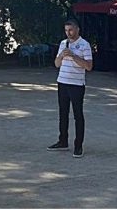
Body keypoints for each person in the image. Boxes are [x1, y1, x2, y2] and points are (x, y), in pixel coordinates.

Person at [47, 19, 93, 158]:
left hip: (77, 84)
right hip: (62, 82)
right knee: (63, 113)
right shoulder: (63, 43)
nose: (69, 33)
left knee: (78, 115)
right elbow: (56, 64)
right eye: (66, 30)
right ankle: (63, 141)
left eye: (71, 30)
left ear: (77, 29)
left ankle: (78, 145)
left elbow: (89, 66)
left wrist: (73, 56)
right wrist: (61, 55)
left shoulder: (84, 45)